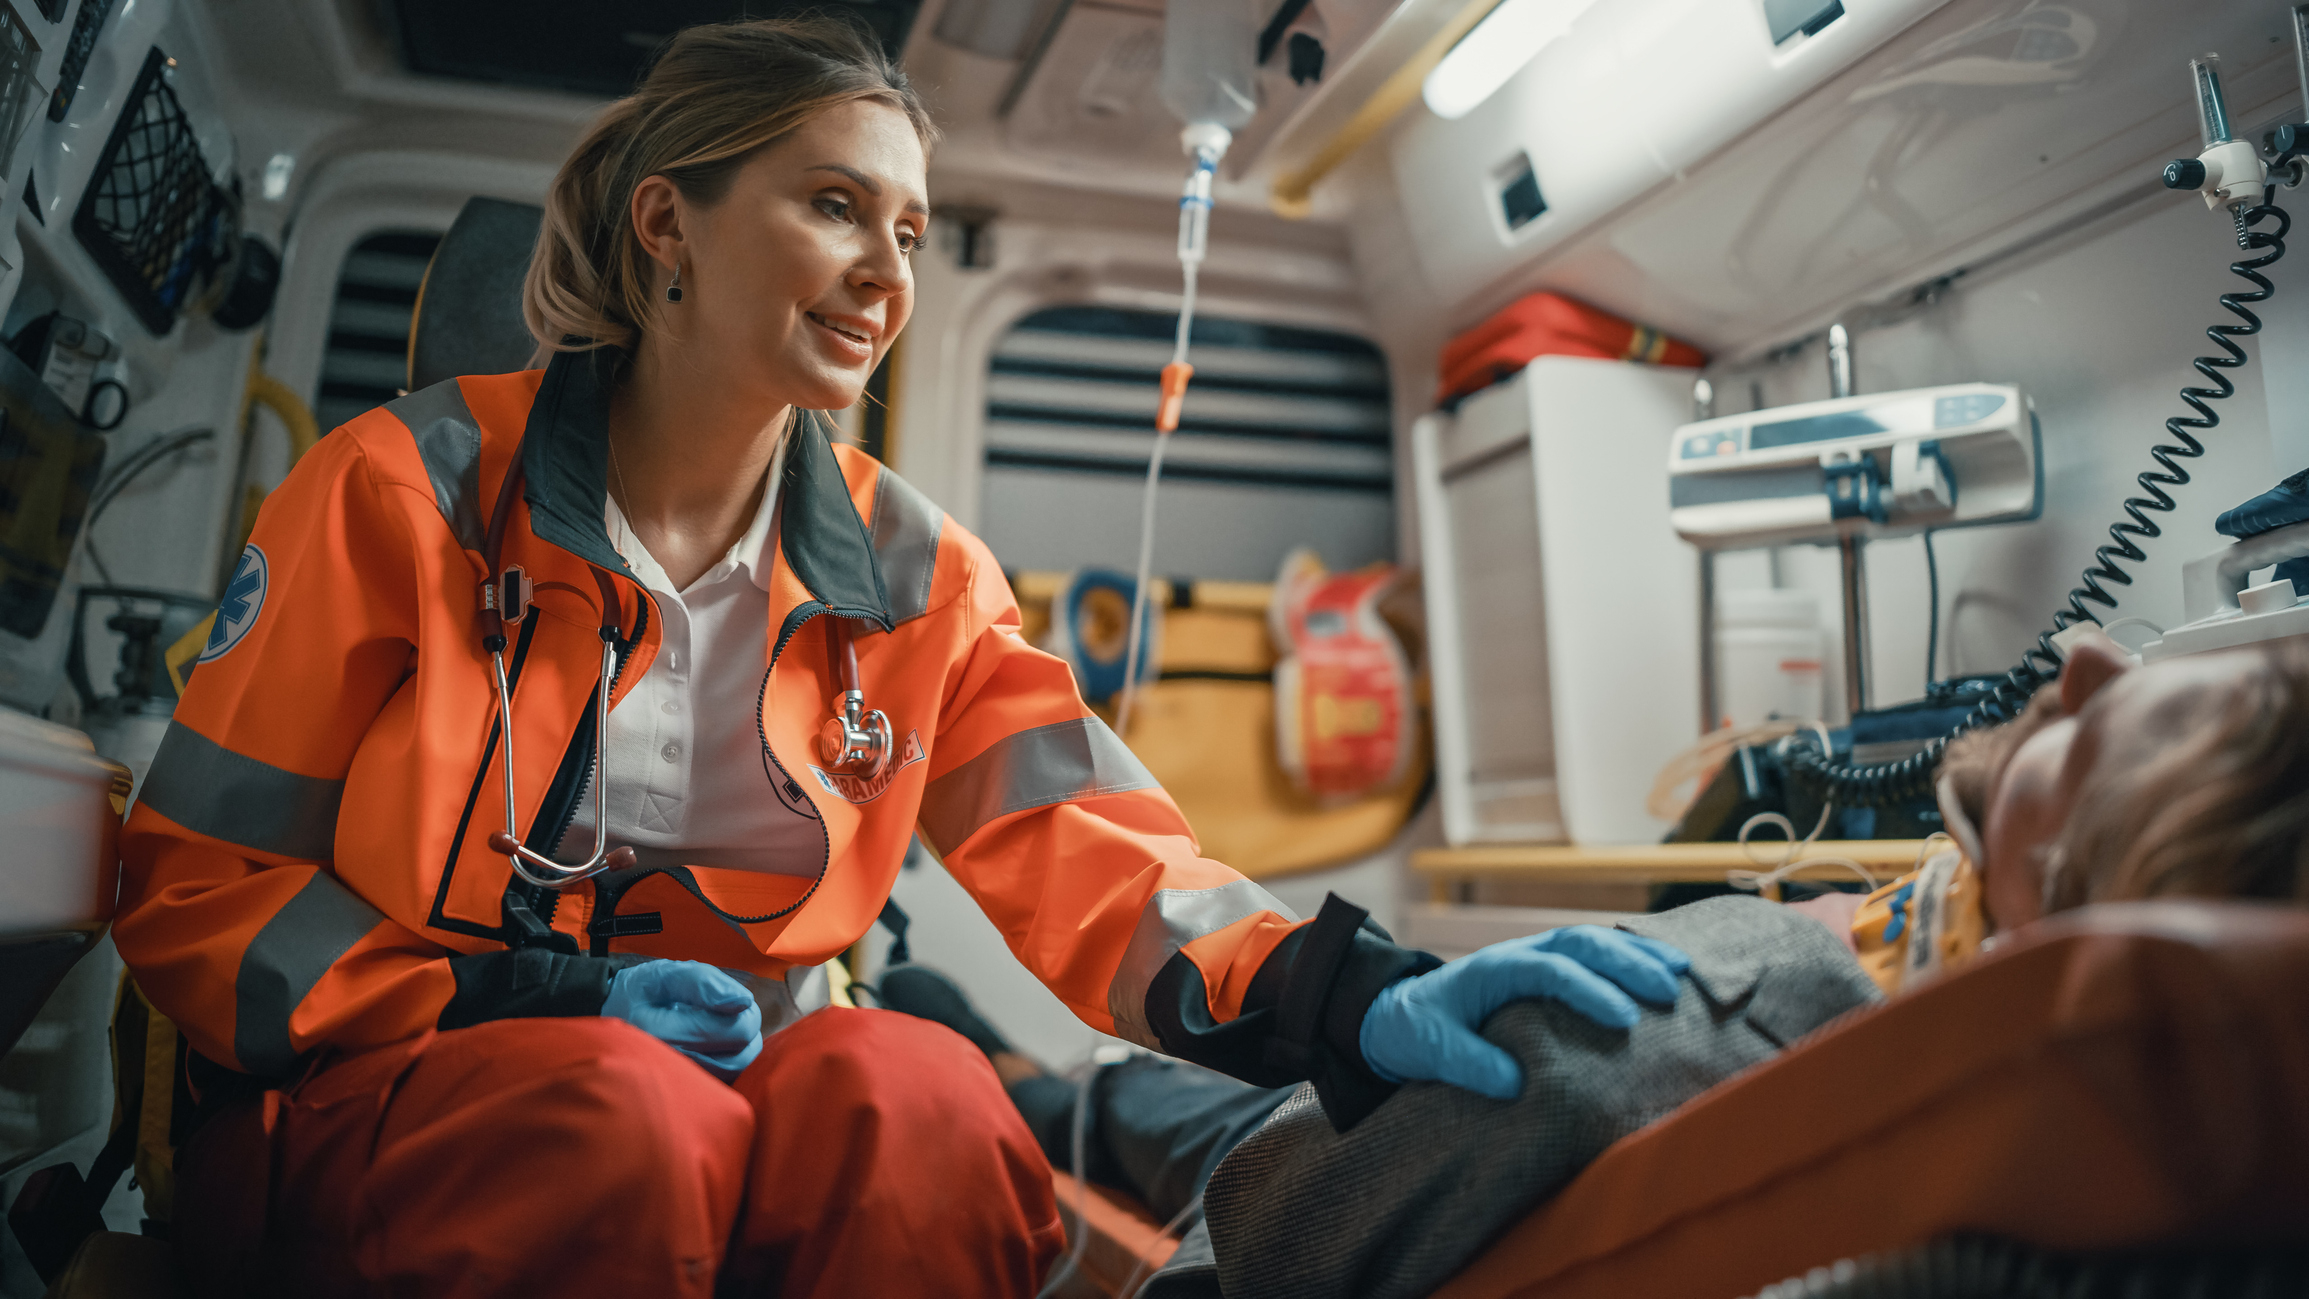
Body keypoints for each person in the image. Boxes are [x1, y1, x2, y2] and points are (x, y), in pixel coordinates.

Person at [112, 18, 1693, 1298]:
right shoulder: (404, 491)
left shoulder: (913, 570)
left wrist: (1343, 996)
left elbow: (1093, 851)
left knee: (927, 1104)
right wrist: (515, 995)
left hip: (732, 1096)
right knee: (620, 1114)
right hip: (411, 1081)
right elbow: (198, 893)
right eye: (833, 205)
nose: (891, 273)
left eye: (915, 229)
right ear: (668, 220)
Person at [881, 631, 2309, 1296]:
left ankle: (1013, 1079)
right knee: (1146, 1088)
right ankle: (1025, 1075)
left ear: (2073, 893)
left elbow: (1262, 1213)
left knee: (1161, 1113)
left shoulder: (1742, 1008)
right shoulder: (1906, 1002)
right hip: (1385, 1135)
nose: (2083, 660)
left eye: (2111, 726)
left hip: (1295, 1170)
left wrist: (1345, 1026)